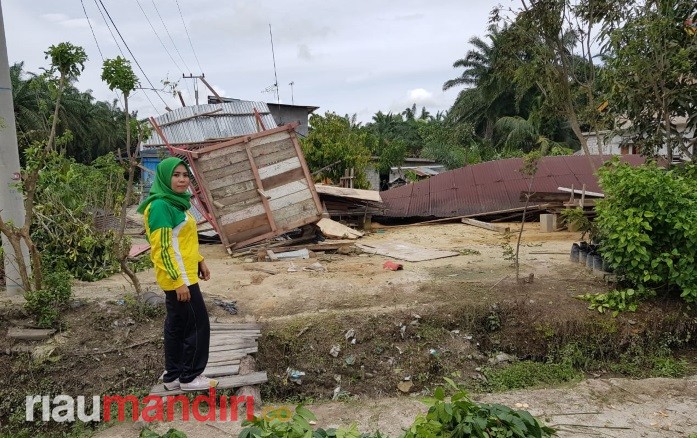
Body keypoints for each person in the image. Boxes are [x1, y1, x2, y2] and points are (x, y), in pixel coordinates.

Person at [137, 157, 218, 392]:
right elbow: (162, 248)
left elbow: (180, 242)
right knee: (197, 325)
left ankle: (173, 376)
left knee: (177, 325)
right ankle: (190, 376)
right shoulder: (162, 206)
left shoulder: (176, 204)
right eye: (176, 175)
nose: (182, 179)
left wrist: (200, 260)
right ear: (164, 177)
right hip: (179, 279)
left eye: (185, 175)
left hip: (183, 274)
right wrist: (178, 282)